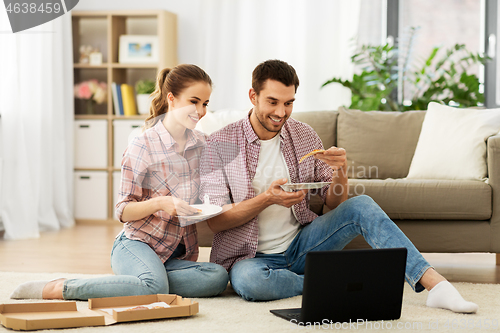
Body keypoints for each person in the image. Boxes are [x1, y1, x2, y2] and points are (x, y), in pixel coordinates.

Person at [199, 59, 478, 313]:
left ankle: (437, 286)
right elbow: (216, 222)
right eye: (272, 102)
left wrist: (341, 171)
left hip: (302, 245)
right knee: (249, 283)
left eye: (289, 103)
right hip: (251, 259)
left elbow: (334, 204)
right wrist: (266, 199)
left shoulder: (304, 135)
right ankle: (330, 280)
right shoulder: (220, 144)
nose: (280, 112)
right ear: (253, 96)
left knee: (361, 205)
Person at [11, 64, 228, 300]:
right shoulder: (143, 145)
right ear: (172, 99)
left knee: (216, 276)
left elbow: (212, 192)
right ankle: (62, 287)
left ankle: (142, 282)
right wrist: (161, 203)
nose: (201, 111)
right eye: (193, 102)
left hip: (176, 254)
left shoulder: (203, 144)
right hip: (137, 244)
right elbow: (123, 211)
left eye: (205, 104)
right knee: (155, 287)